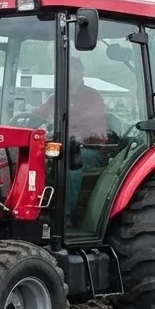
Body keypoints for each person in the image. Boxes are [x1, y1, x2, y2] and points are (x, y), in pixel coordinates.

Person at [34, 56, 108, 221]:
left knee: (69, 161)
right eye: (67, 73)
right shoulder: (57, 98)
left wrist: (57, 123)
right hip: (63, 146)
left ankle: (65, 215)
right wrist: (30, 117)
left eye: (73, 71)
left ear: (80, 73)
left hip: (90, 149)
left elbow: (84, 119)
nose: (70, 77)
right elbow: (40, 113)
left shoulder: (92, 97)